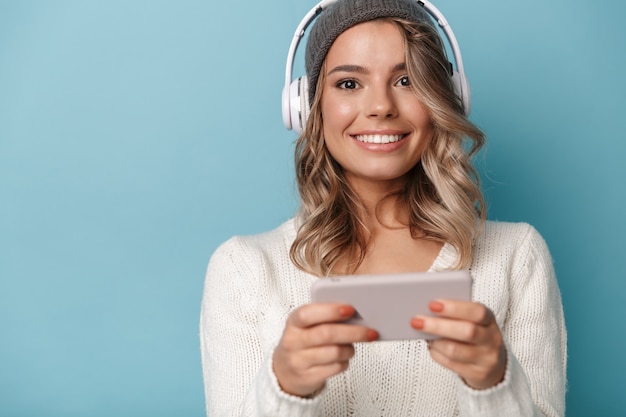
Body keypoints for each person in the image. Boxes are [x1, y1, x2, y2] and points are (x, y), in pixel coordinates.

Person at [200, 0, 567, 415]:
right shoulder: (244, 269)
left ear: (444, 98)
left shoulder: (516, 256)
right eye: (349, 84)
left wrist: (494, 383)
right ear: (307, 106)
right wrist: (284, 387)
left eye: (407, 80)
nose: (381, 106)